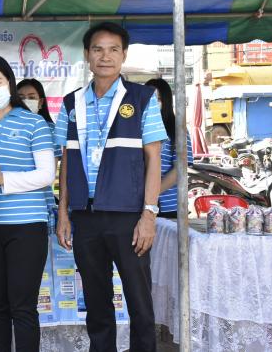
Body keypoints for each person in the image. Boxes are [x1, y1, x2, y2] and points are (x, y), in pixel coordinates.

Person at [54, 22, 167, 352]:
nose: (105, 56)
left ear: (124, 55)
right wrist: (64, 213)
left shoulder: (143, 98)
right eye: (98, 49)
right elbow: (65, 160)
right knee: (96, 303)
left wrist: (149, 215)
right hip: (85, 217)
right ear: (87, 55)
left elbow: (154, 160)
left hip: (128, 217)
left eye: (113, 49)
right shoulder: (72, 103)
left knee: (139, 302)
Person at [0, 55, 56, 352]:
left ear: (9, 82)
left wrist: (4, 178)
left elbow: (46, 175)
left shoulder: (34, 123)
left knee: (23, 308)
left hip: (27, 227)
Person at [145, 78, 194, 218]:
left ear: (166, 101)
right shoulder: (135, 128)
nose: (153, 103)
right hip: (137, 205)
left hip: (169, 205)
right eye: (149, 99)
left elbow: (180, 169)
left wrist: (152, 194)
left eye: (158, 99)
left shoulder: (177, 128)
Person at [17, 78, 61, 210]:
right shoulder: (5, 126)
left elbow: (48, 174)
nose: (26, 101)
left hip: (40, 202)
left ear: (40, 102)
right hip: (8, 200)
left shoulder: (50, 129)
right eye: (21, 98)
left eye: (31, 97)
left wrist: (8, 180)